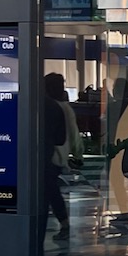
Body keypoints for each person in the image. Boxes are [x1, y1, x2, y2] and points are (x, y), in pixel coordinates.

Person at [42, 73, 72, 239]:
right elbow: (64, 137)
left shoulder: (46, 106)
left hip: (50, 157)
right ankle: (63, 223)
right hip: (55, 156)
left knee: (50, 191)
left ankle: (62, 223)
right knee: (51, 191)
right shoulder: (60, 108)